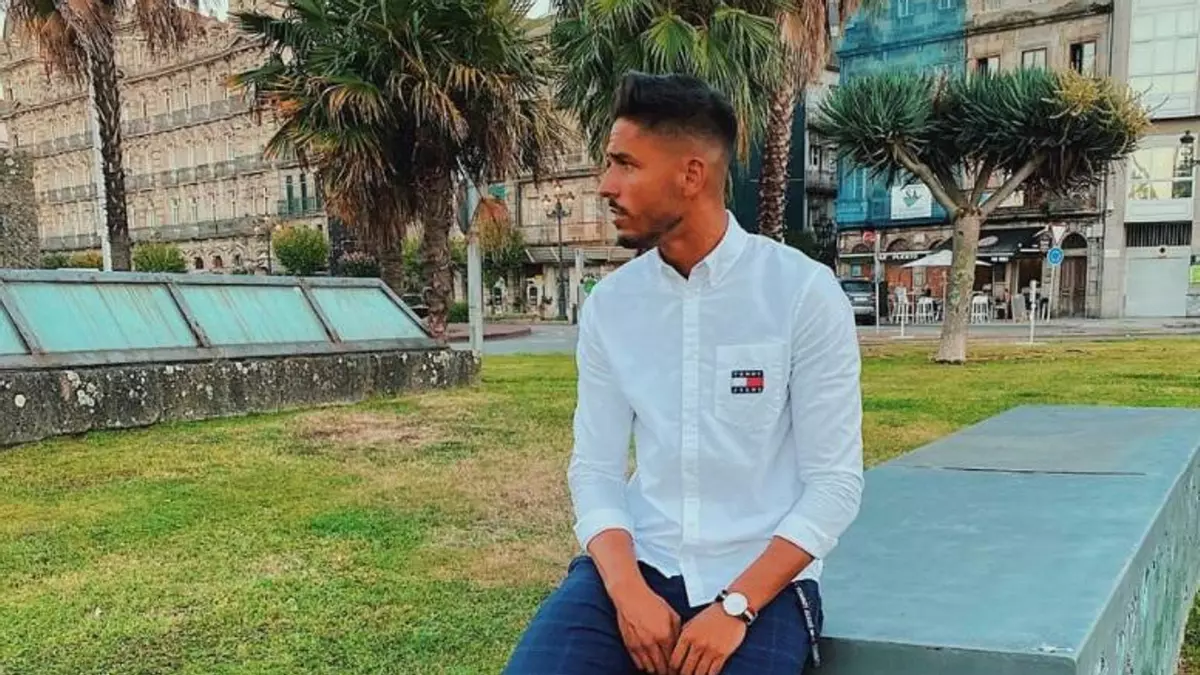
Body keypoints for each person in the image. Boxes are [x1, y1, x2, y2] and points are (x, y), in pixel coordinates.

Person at [503, 72, 864, 675]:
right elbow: (595, 470)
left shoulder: (802, 292)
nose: (606, 185)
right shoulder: (612, 305)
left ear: (691, 175)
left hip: (761, 578)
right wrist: (627, 592)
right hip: (639, 561)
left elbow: (835, 484)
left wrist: (737, 606)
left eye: (625, 164)